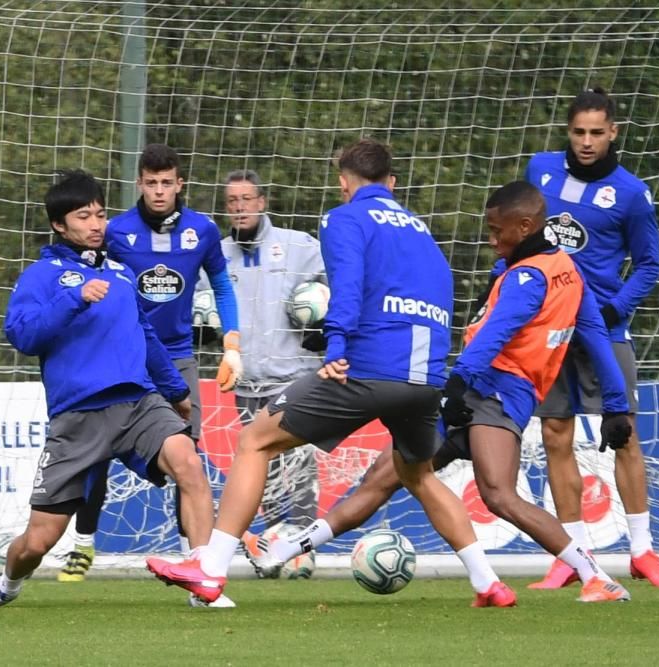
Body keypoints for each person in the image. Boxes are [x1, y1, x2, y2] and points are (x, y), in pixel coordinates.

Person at [148, 138, 517, 608]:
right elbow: (443, 291)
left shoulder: (343, 217)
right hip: (426, 378)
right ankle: (488, 582)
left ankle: (210, 569)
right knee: (418, 473)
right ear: (392, 183)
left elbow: (348, 284)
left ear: (344, 182)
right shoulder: (421, 230)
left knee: (255, 440)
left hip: (367, 371)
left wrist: (336, 344)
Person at [249, 183, 634, 603]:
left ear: (524, 226)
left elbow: (493, 338)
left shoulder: (527, 277)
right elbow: (596, 333)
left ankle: (595, 575)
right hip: (476, 389)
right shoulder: (565, 269)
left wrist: (456, 389)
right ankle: (285, 550)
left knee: (498, 494)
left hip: (495, 394)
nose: (491, 239)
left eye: (496, 230)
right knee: (382, 478)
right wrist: (616, 406)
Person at [0, 170, 212, 610]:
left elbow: (145, 335)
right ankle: (5, 587)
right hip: (78, 417)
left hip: (137, 402)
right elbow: (22, 336)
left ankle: (205, 580)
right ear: (59, 225)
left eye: (100, 213)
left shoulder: (122, 274)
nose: (96, 224)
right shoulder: (41, 276)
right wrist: (75, 298)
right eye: (83, 216)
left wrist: (175, 390)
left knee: (189, 464)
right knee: (38, 541)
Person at [55, 145, 241, 606]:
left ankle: (195, 569)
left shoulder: (203, 230)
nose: (159, 191)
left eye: (167, 183)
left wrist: (231, 341)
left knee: (188, 461)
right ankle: (83, 541)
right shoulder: (115, 231)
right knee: (96, 454)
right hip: (123, 358)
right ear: (139, 183)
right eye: (151, 183)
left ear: (181, 184)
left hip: (176, 357)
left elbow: (220, 283)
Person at [526, 87, 659, 589]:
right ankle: (572, 556)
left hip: (605, 329)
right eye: (578, 132)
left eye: (597, 132)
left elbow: (650, 265)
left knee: (624, 434)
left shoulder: (631, 193)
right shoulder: (540, 170)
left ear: (614, 132)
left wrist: (613, 309)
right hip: (549, 326)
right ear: (567, 132)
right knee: (555, 434)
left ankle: (642, 552)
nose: (587, 142)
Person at [203, 169, 325, 562]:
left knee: (301, 464)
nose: (239, 208)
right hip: (247, 381)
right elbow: (205, 309)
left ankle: (304, 547)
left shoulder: (299, 246)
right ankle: (277, 541)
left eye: (246, 199)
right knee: (264, 469)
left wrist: (319, 306)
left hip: (295, 377)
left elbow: (329, 288)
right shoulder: (217, 254)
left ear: (262, 202)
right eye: (232, 202)